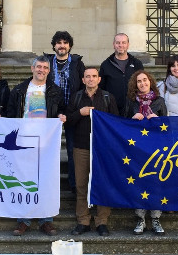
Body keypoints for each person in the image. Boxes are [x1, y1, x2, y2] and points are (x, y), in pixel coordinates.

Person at [6, 55, 66, 236]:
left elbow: (61, 109)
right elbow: (10, 114)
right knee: (24, 179)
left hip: (46, 142)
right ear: (32, 69)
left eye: (45, 68)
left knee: (46, 180)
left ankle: (46, 220)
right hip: (24, 141)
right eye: (38, 67)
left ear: (49, 70)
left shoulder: (55, 90)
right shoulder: (19, 90)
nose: (41, 70)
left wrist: (62, 116)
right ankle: (23, 219)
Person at [65, 67, 119, 237]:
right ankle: (83, 220)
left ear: (99, 79)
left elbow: (115, 122)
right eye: (87, 76)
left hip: (102, 148)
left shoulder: (107, 97)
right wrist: (79, 113)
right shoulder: (77, 97)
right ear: (83, 80)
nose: (90, 79)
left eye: (94, 76)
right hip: (81, 147)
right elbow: (68, 121)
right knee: (81, 185)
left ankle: (102, 221)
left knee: (102, 184)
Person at [125, 70, 168, 235]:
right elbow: (122, 125)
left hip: (156, 148)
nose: (142, 83)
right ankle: (140, 218)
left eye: (145, 80)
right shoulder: (130, 102)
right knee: (139, 182)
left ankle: (156, 218)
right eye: (139, 81)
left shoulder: (159, 101)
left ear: (150, 82)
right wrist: (132, 120)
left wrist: (158, 121)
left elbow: (167, 126)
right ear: (135, 85)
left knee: (156, 182)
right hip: (137, 149)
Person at [45, 31, 85, 194]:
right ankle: (47, 183)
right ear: (54, 45)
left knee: (71, 149)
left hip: (71, 112)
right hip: (51, 113)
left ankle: (73, 184)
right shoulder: (46, 62)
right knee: (47, 149)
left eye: (65, 42)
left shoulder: (77, 63)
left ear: (69, 45)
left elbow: (83, 87)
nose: (62, 45)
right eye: (59, 42)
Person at [99, 33, 144, 114]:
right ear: (114, 45)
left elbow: (143, 84)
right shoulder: (105, 65)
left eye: (123, 42)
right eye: (118, 43)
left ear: (128, 45)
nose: (120, 45)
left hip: (134, 110)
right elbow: (101, 88)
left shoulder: (137, 64)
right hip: (112, 110)